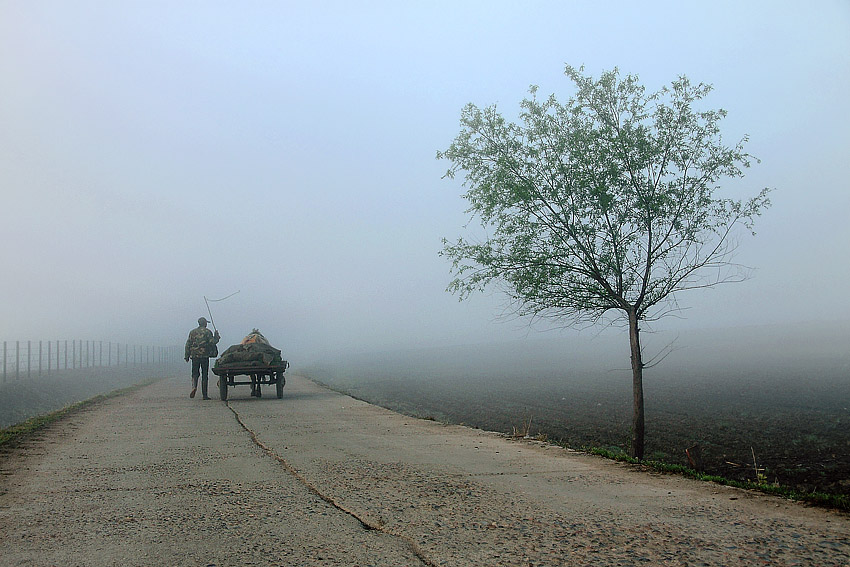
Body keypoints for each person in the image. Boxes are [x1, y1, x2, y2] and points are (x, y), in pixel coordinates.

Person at [184, 317, 221, 400]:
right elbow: (212, 342)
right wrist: (216, 337)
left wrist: (186, 356)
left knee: (195, 373)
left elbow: (188, 344)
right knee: (205, 375)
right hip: (204, 356)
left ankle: (194, 386)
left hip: (194, 356)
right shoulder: (208, 332)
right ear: (205, 323)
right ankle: (205, 395)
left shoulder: (192, 332)